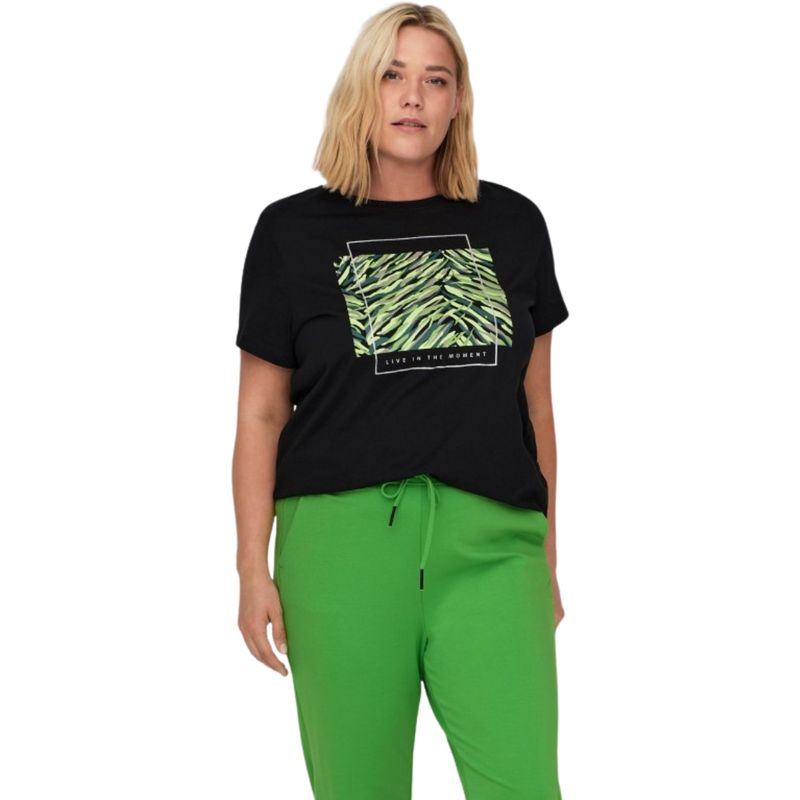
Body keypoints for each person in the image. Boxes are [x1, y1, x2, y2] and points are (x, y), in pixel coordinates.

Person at [232, 4, 569, 798]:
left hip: (493, 552)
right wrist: (251, 567)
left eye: (435, 80)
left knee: (524, 785)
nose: (413, 96)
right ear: (363, 88)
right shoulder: (290, 233)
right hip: (340, 554)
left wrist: (546, 558)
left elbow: (538, 409)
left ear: (458, 101)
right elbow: (261, 413)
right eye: (393, 74)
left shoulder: (514, 225)